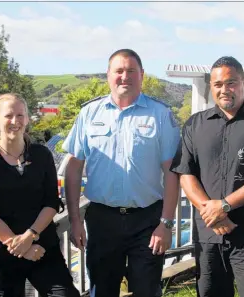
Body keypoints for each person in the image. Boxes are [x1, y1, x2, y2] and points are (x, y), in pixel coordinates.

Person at [62, 49, 180, 297]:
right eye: (118, 71)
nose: (124, 76)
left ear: (142, 75)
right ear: (108, 75)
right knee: (102, 290)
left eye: (131, 71)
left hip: (147, 222)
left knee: (147, 291)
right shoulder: (89, 114)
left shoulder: (160, 115)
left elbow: (172, 172)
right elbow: (73, 169)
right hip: (102, 220)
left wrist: (166, 224)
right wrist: (75, 220)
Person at [171, 56, 244, 297]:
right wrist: (212, 214)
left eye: (231, 82)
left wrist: (224, 205)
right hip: (208, 235)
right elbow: (185, 174)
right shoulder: (195, 125)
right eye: (218, 84)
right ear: (211, 87)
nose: (225, 89)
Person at [0, 93, 80, 297]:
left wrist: (30, 236)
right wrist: (22, 247)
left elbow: (51, 201)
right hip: (3, 253)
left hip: (43, 249)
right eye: (8, 116)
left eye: (20, 115)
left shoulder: (42, 154)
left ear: (27, 119)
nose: (15, 121)